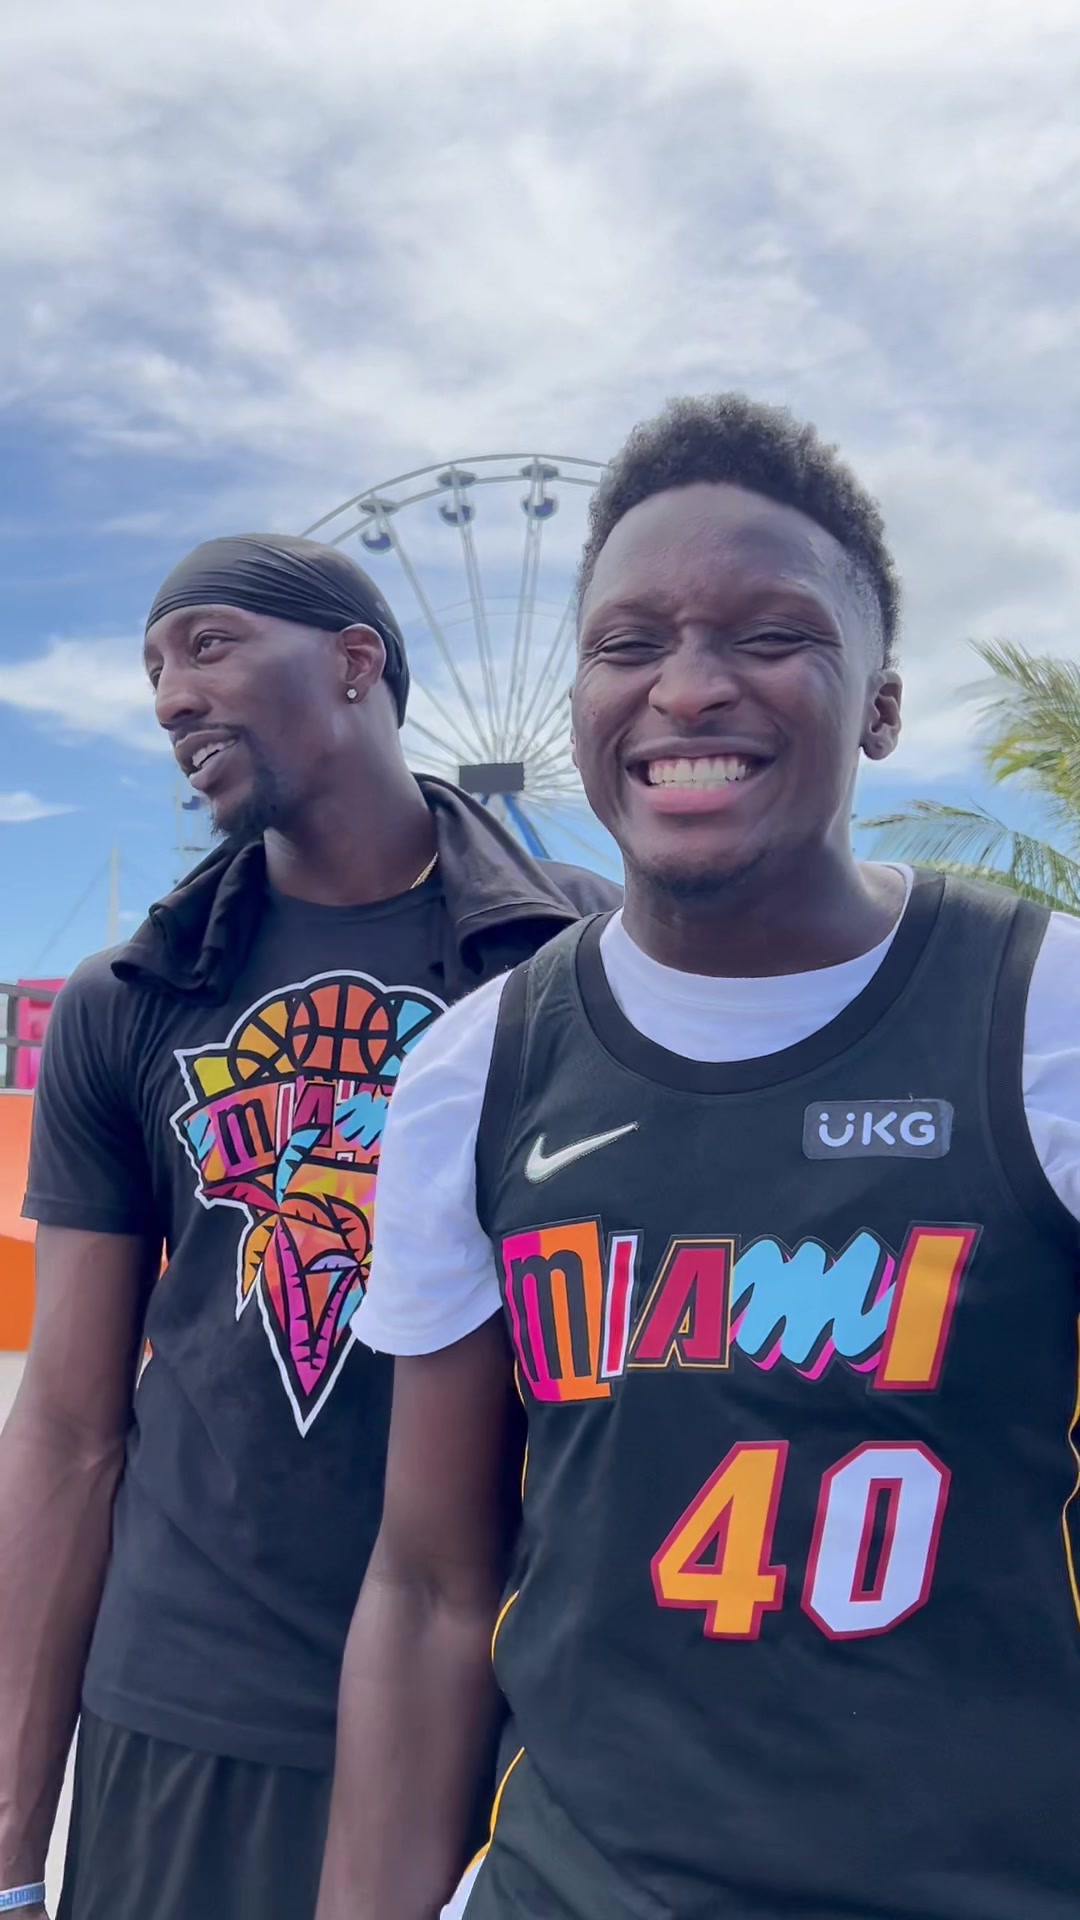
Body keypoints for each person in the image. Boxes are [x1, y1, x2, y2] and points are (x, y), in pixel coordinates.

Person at [317, 396, 1080, 1920]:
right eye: (629, 643)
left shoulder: (1041, 1018)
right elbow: (428, 1583)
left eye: (772, 635)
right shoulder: (476, 1071)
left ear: (881, 706)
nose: (687, 686)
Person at [0, 533, 619, 1920]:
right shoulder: (132, 994)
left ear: (355, 662)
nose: (171, 696)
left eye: (208, 645)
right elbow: (67, 1426)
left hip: (507, 1707)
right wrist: (10, 1841)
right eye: (153, 670)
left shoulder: (582, 965)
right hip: (187, 1704)